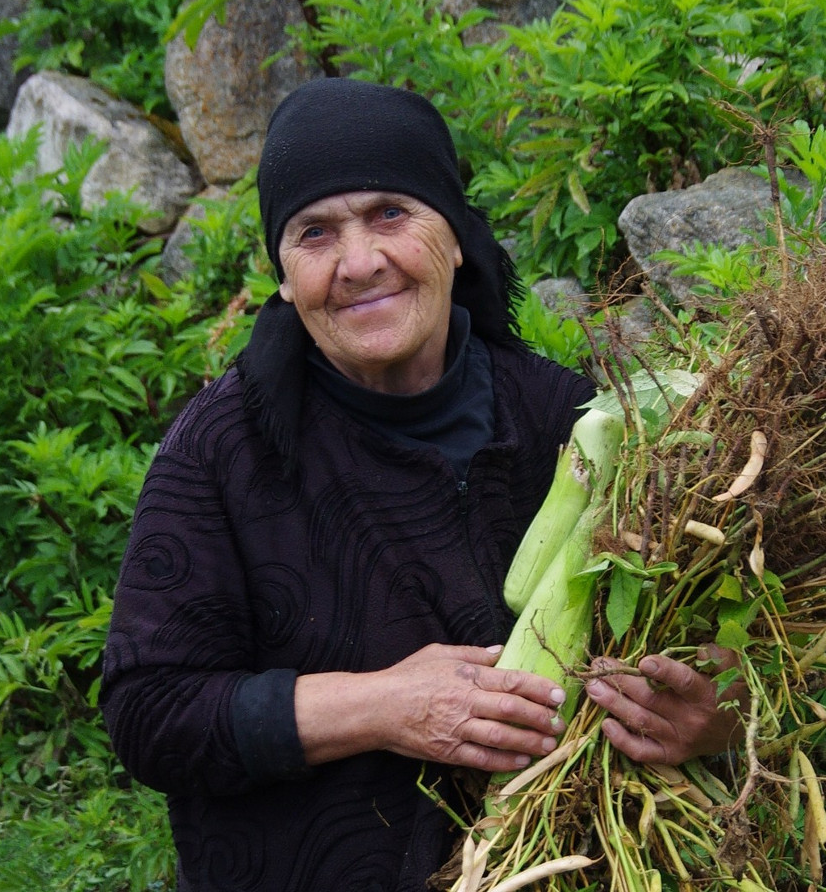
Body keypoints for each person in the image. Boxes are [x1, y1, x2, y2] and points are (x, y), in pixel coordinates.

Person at [101, 78, 737, 892]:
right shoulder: (224, 450)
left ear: (457, 237)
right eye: (315, 232)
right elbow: (150, 713)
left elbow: (712, 641)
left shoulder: (577, 424)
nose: (359, 262)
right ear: (285, 275)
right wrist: (380, 706)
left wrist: (713, 717)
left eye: (391, 214)